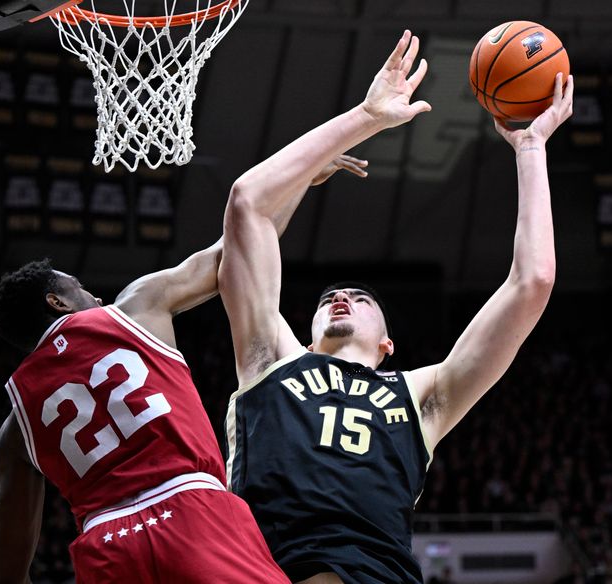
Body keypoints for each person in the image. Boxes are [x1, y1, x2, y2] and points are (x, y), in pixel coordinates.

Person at [219, 28, 574, 584]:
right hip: (270, 569)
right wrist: (368, 117)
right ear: (309, 335)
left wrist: (531, 149)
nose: (342, 297)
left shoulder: (422, 396)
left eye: (361, 299)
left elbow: (533, 282)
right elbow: (248, 204)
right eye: (331, 298)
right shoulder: (270, 358)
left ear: (389, 344)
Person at [0, 155, 366, 583]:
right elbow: (238, 253)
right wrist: (300, 180)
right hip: (190, 511)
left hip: (106, 548)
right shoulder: (133, 308)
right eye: (80, 289)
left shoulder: (15, 426)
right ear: (56, 302)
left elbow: (12, 540)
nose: (94, 295)